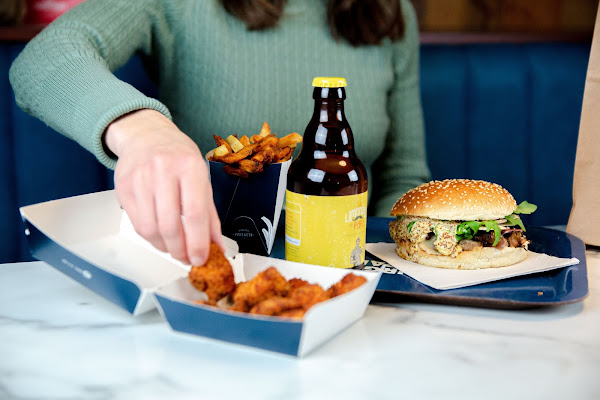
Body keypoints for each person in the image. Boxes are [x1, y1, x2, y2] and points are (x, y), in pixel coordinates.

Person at [9, 0, 430, 266]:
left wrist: (399, 266)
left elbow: (403, 175)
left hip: (350, 277)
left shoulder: (390, 12)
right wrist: (143, 129)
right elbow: (45, 59)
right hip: (200, 272)